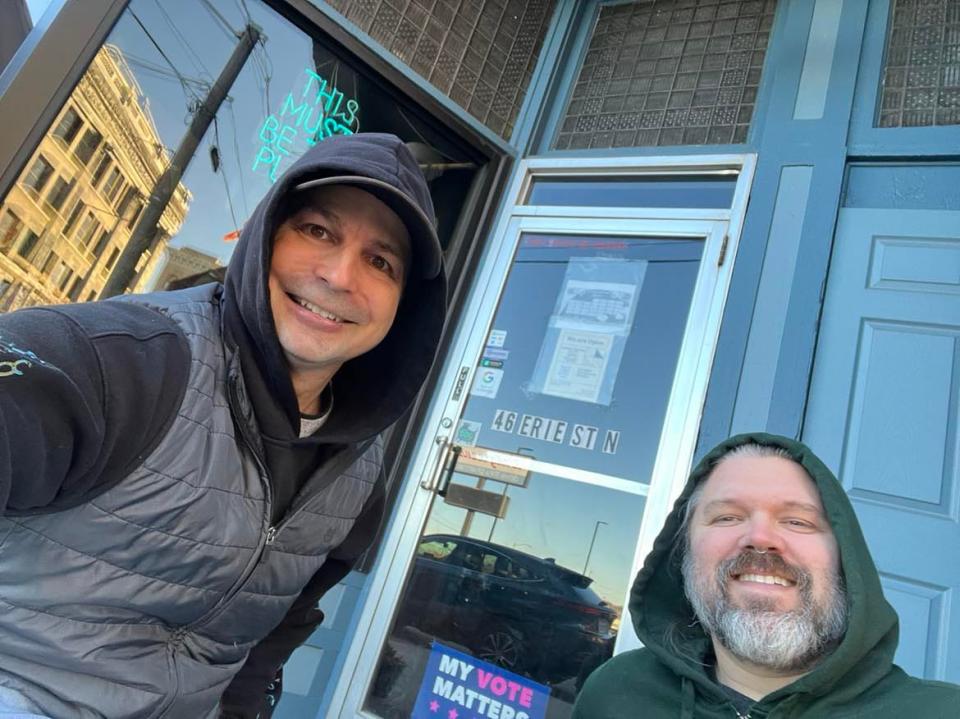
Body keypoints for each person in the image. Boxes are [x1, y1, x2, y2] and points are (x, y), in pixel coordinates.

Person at [0, 132, 446, 718]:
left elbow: (277, 630)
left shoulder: (358, 472)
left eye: (380, 261)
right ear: (264, 239)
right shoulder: (127, 361)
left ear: (402, 307)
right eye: (317, 231)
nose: (340, 276)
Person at [573, 432, 960, 718]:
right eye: (727, 517)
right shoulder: (614, 694)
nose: (759, 538)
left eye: (797, 521)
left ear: (847, 559)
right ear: (684, 555)